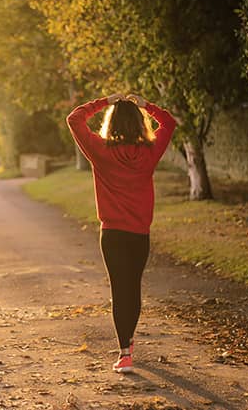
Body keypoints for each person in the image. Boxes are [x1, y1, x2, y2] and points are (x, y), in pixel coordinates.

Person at [65, 93, 176, 373]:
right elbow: (169, 123)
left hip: (112, 234)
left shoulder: (100, 150)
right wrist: (146, 106)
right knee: (133, 288)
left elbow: (74, 119)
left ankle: (124, 352)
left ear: (111, 123)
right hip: (139, 234)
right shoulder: (149, 152)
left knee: (119, 289)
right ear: (140, 124)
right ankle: (128, 340)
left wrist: (104, 101)